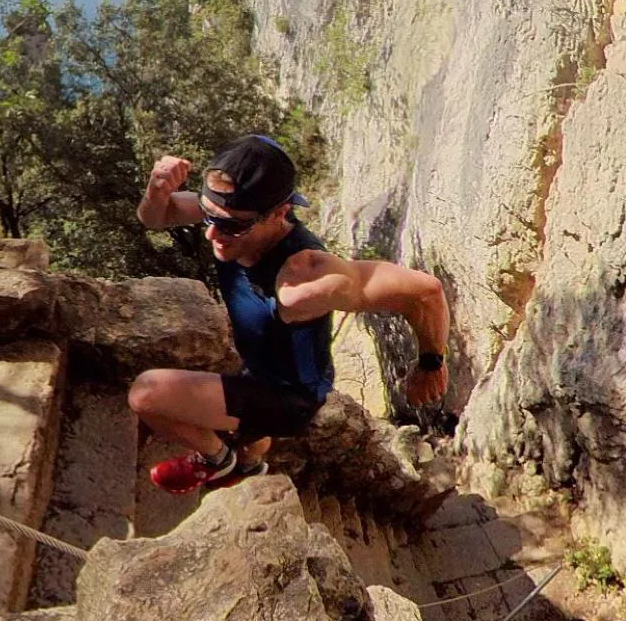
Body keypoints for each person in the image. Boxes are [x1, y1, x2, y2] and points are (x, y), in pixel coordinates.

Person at [132, 134, 450, 494]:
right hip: (266, 365)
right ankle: (250, 464)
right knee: (249, 421)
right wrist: (156, 190)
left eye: (232, 225)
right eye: (208, 215)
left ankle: (218, 462)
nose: (211, 234)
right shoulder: (236, 214)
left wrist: (431, 363)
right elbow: (155, 217)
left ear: (280, 213)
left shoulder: (305, 280)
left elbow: (426, 291)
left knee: (145, 394)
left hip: (289, 400)